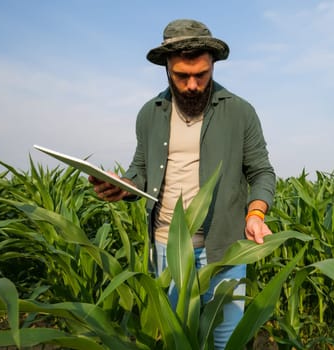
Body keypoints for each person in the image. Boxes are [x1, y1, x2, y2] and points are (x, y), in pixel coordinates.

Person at [89, 18, 275, 349]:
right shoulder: (150, 114)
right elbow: (141, 171)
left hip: (224, 251)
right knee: (179, 341)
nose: (192, 85)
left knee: (225, 341)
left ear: (213, 66)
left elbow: (261, 172)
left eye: (201, 75)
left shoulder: (240, 112)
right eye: (182, 76)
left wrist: (256, 214)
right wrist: (122, 186)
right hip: (167, 249)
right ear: (166, 69)